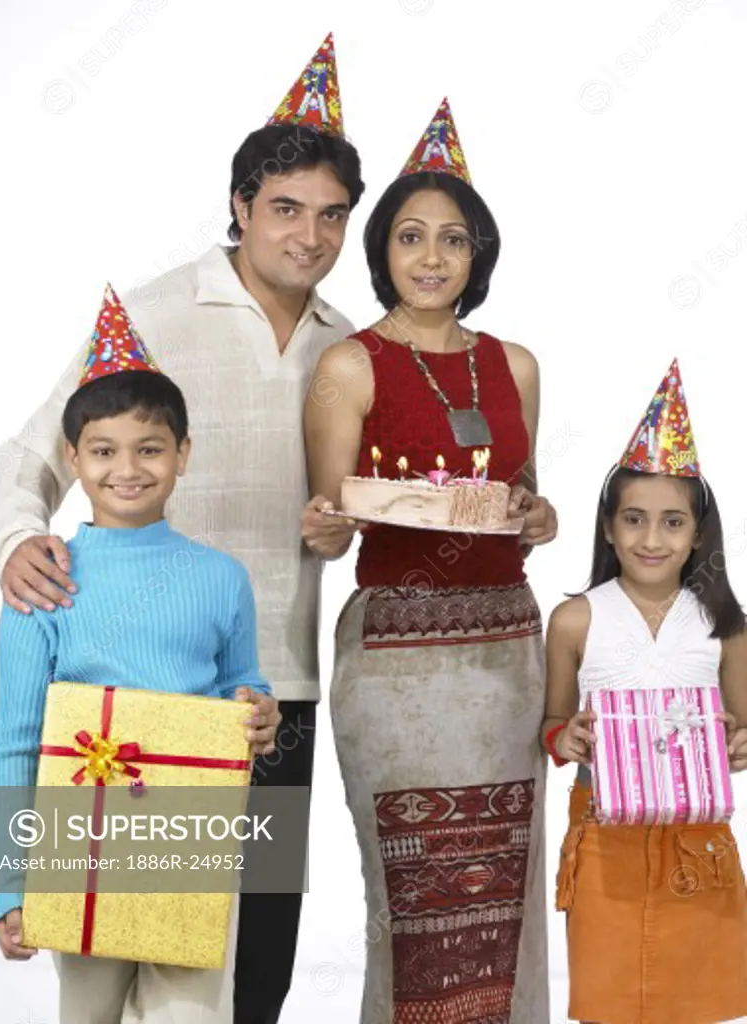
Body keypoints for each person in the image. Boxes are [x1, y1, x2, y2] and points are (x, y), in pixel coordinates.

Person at [0, 33, 364, 1024]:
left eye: (332, 215)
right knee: (113, 949)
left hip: (270, 689)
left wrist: (345, 525)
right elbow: (37, 445)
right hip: (139, 702)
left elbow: (356, 492)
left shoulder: (349, 344)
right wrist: (18, 538)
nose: (309, 236)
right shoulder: (157, 312)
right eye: (285, 209)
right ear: (239, 207)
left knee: (259, 951)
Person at [302, 99, 556, 1023]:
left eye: (454, 239)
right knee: (414, 901)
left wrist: (540, 513)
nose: (432, 257)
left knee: (504, 894)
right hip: (397, 662)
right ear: (382, 252)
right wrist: (327, 529)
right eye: (411, 237)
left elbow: (527, 494)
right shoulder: (351, 366)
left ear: (478, 255)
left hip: (506, 654)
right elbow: (335, 511)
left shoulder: (515, 364)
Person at [0, 287, 281, 1023]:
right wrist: (11, 884)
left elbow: (241, 687)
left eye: (150, 448)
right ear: (72, 458)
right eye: (104, 450)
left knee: (192, 1014)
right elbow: (17, 744)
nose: (128, 468)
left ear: (183, 454)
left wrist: (257, 709)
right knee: (88, 1012)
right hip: (82, 838)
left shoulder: (222, 578)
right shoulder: (45, 579)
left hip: (192, 838)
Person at [543, 360, 747, 1024]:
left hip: (698, 839)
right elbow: (551, 722)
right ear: (608, 527)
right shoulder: (576, 618)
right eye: (633, 520)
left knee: (696, 999)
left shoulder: (725, 626)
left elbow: (742, 724)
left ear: (697, 535)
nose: (651, 539)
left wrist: (741, 741)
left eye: (671, 523)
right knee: (608, 997)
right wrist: (564, 736)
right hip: (605, 837)